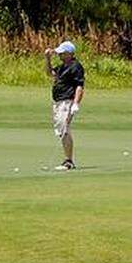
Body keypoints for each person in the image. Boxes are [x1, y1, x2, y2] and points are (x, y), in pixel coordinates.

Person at [45, 41, 85, 171]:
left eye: (62, 53)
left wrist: (76, 104)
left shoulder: (76, 66)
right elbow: (50, 73)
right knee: (61, 130)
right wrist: (48, 59)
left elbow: (79, 86)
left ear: (70, 53)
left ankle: (69, 161)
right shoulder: (62, 66)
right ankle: (67, 160)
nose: (60, 55)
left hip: (67, 101)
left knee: (64, 129)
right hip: (58, 102)